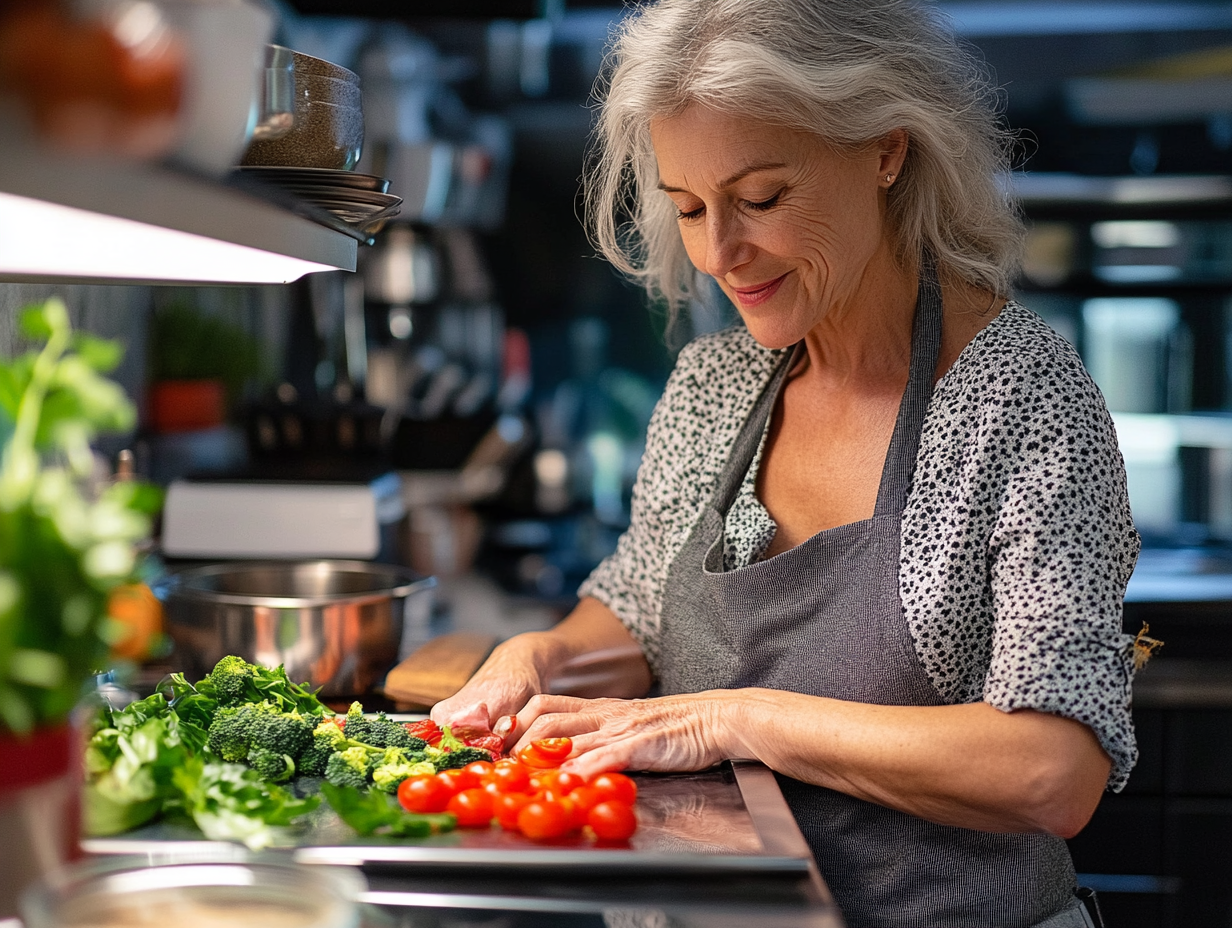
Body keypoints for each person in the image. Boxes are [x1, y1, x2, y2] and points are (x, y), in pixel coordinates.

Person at [434, 2, 1140, 925]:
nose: (721, 253)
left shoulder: (1022, 399)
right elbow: (638, 616)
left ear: (886, 150)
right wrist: (542, 655)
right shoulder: (711, 385)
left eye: (761, 198)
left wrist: (739, 717)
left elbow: (1053, 770)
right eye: (688, 207)